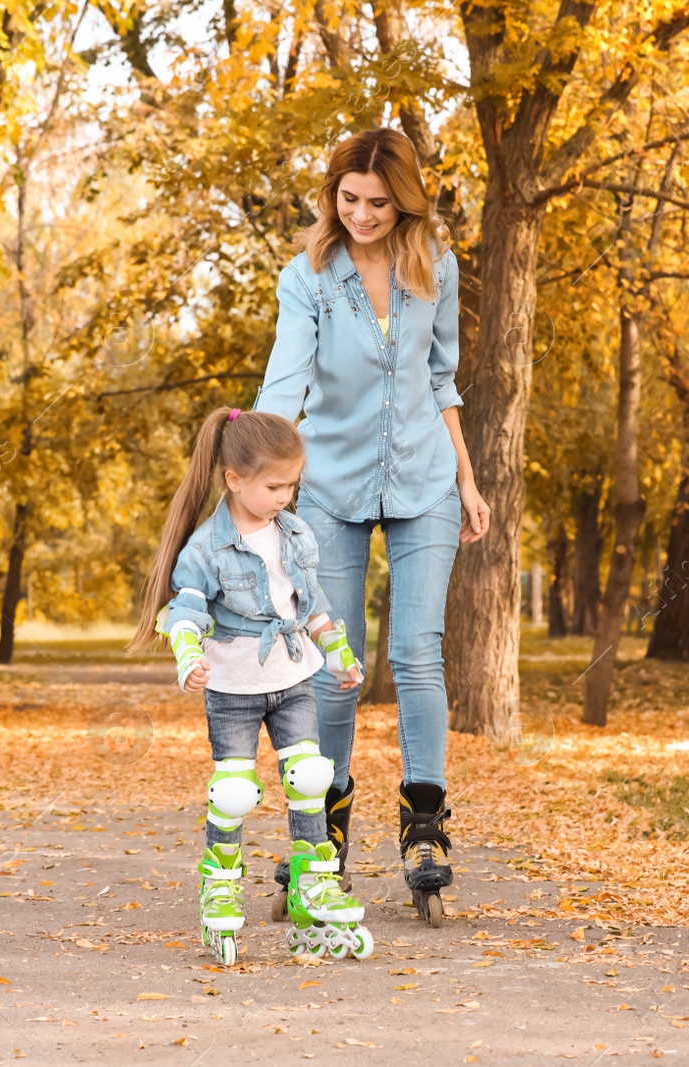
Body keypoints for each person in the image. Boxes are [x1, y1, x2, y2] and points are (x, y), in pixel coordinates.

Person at [254, 127, 490, 927]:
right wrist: (258, 474)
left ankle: (425, 827)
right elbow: (285, 379)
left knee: (418, 652)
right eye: (348, 199)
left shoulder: (437, 269)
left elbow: (441, 378)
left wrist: (467, 476)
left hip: (426, 480)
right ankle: (323, 834)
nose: (360, 213)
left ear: (405, 201)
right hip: (329, 486)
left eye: (378, 202)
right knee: (334, 663)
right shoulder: (309, 278)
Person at [128, 407, 374, 963]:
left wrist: (337, 653)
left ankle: (313, 881)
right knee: (234, 790)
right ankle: (220, 883)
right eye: (274, 485)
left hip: (292, 678)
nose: (285, 495)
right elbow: (185, 610)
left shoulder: (296, 534)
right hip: (234, 686)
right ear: (234, 481)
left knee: (312, 776)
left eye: (292, 483)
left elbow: (312, 607)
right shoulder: (206, 548)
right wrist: (187, 654)